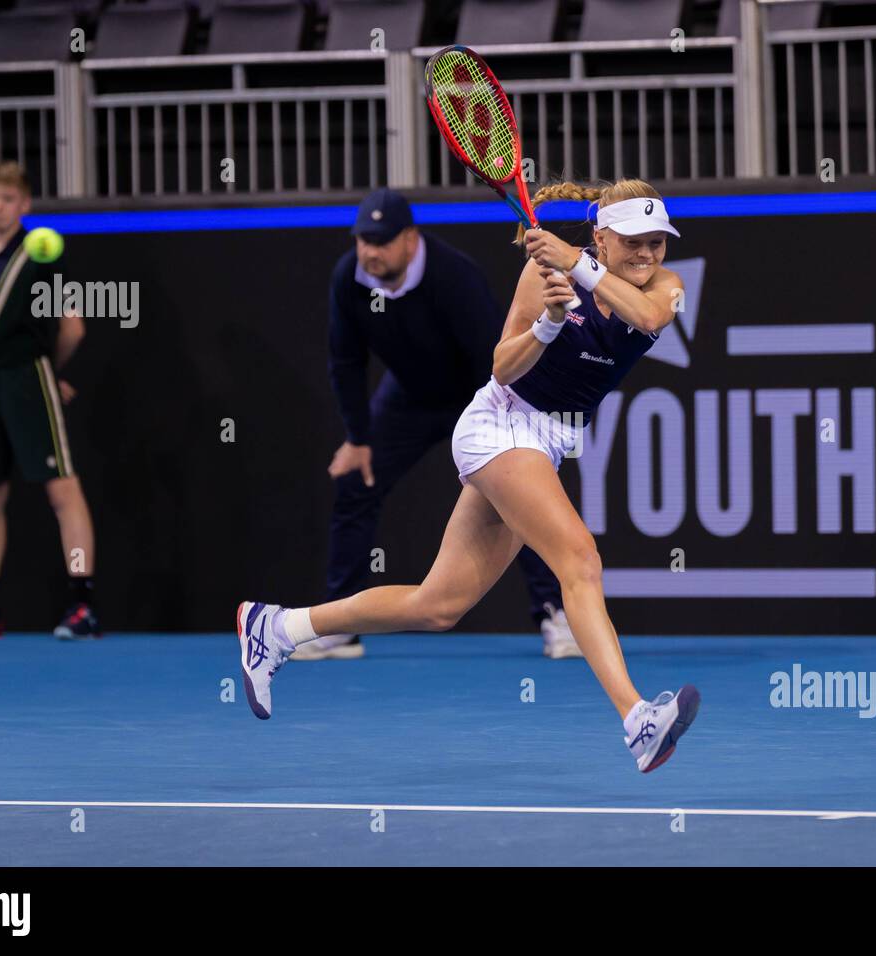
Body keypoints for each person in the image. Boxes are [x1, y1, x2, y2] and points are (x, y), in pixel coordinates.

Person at [238, 179, 699, 773]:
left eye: (658, 243)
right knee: (579, 561)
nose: (648, 255)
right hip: (499, 427)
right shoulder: (541, 277)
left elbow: (648, 314)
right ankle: (638, 719)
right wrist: (549, 325)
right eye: (634, 241)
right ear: (604, 236)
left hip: (547, 442)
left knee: (438, 605)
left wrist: (579, 267)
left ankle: (278, 626)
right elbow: (502, 368)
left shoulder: (664, 286)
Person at [303, 187, 580, 661]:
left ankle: (555, 615)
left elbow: (494, 358)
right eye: (363, 240)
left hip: (481, 394)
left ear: (410, 239)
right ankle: (337, 629)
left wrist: (511, 435)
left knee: (526, 498)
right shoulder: (349, 279)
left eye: (382, 240)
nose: (369, 251)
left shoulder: (453, 276)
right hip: (409, 397)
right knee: (356, 482)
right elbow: (345, 361)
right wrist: (358, 437)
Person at [0, 161, 100, 641]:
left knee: (62, 491)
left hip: (31, 377)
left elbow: (73, 326)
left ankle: (82, 606)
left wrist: (51, 371)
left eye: (8, 199)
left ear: (25, 205)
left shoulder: (44, 257)